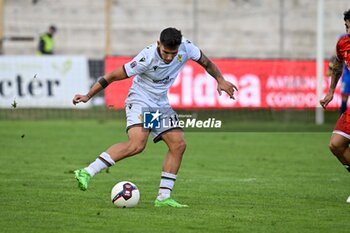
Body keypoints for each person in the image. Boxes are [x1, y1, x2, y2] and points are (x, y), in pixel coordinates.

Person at [72, 27, 238, 207]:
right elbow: (112, 76)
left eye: (173, 54)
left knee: (178, 144)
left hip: (160, 104)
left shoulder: (187, 48)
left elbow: (207, 63)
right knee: (137, 145)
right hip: (140, 100)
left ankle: (163, 197)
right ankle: (87, 172)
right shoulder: (146, 58)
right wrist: (88, 95)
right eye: (165, 52)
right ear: (159, 44)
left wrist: (220, 80)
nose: (168, 57)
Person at [320, 9, 350, 203]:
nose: (347, 31)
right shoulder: (344, 43)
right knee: (336, 144)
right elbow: (338, 65)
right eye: (346, 27)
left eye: (349, 26)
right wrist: (331, 91)